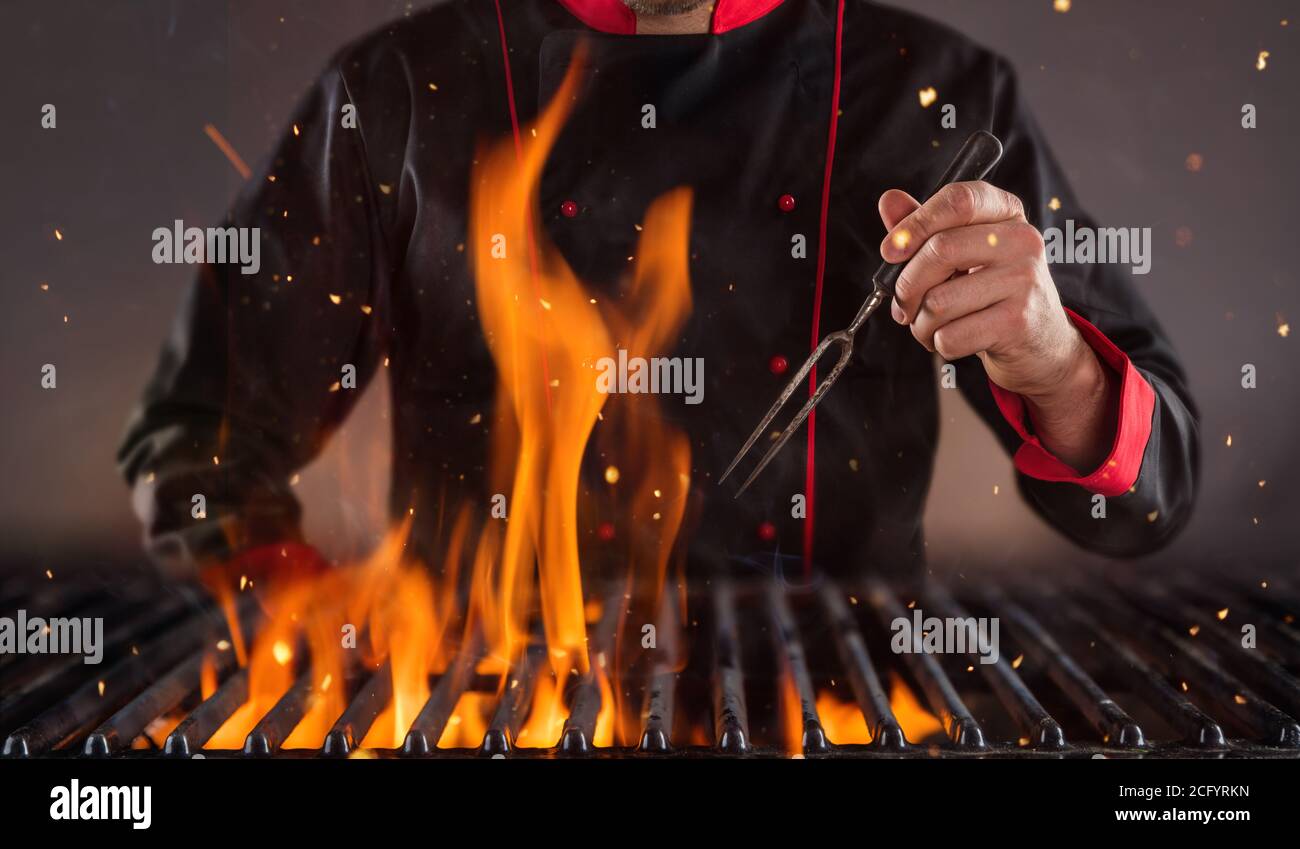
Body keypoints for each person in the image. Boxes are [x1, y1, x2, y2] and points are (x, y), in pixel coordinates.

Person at [118, 0, 1198, 586]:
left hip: (846, 702)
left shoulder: (940, 95)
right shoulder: (396, 92)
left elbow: (1147, 504)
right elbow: (196, 439)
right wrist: (300, 611)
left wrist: (1054, 364)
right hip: (483, 704)